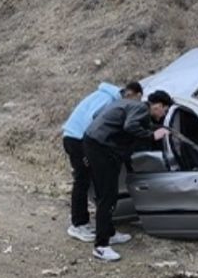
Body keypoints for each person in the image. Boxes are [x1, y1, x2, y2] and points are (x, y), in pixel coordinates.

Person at [82, 90, 173, 262]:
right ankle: (101, 246)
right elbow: (130, 127)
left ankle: (109, 232)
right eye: (165, 111)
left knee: (108, 193)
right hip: (100, 148)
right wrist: (152, 135)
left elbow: (99, 116)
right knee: (107, 196)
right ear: (158, 106)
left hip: (95, 142)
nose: (164, 115)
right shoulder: (141, 109)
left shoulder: (131, 104)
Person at [61, 81, 143, 242]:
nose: (136, 104)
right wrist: (88, 151)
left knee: (96, 182)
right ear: (130, 94)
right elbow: (92, 124)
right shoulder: (107, 100)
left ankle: (106, 229)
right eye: (137, 98)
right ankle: (78, 224)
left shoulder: (108, 97)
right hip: (77, 139)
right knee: (82, 180)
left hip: (80, 139)